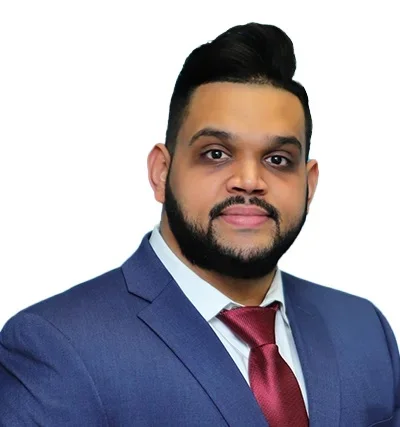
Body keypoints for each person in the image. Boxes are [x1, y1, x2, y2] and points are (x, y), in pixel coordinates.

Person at [0, 22, 398, 427]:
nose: (249, 180)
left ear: (309, 184)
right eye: (215, 153)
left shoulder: (364, 329)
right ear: (161, 172)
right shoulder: (57, 346)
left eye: (278, 159)